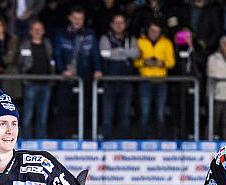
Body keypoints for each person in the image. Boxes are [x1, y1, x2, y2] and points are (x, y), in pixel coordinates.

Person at [53, 5, 102, 138]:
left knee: (86, 107)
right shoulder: (61, 34)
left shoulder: (90, 34)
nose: (78, 21)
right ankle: (63, 136)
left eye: (80, 19)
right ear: (70, 18)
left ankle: (85, 137)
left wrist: (98, 69)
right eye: (75, 18)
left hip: (85, 75)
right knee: (64, 106)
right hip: (67, 76)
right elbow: (57, 54)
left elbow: (95, 54)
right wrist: (63, 70)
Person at [99, 13, 139, 140]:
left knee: (125, 114)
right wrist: (124, 52)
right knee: (108, 114)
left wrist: (116, 52)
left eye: (121, 22)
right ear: (111, 24)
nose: (119, 25)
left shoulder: (130, 38)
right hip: (109, 81)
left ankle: (124, 143)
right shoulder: (105, 38)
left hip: (126, 81)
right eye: (116, 22)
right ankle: (106, 141)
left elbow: (136, 53)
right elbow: (105, 53)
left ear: (125, 25)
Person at [134, 20, 175, 139]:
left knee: (160, 113)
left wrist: (161, 63)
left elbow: (172, 62)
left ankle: (160, 139)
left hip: (161, 80)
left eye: (156, 31)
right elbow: (135, 61)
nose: (153, 33)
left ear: (160, 31)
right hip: (145, 80)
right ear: (148, 30)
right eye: (152, 30)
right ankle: (142, 140)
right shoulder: (140, 41)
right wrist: (144, 62)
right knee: (145, 113)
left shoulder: (166, 42)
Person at [18, 19, 54, 139]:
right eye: (35, 29)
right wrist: (25, 75)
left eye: (40, 29)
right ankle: (26, 140)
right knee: (28, 114)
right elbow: (21, 62)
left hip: (45, 83)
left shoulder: (47, 44)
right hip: (30, 83)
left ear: (43, 31)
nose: (38, 31)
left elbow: (52, 61)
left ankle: (41, 141)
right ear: (30, 31)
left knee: (43, 115)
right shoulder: (25, 44)